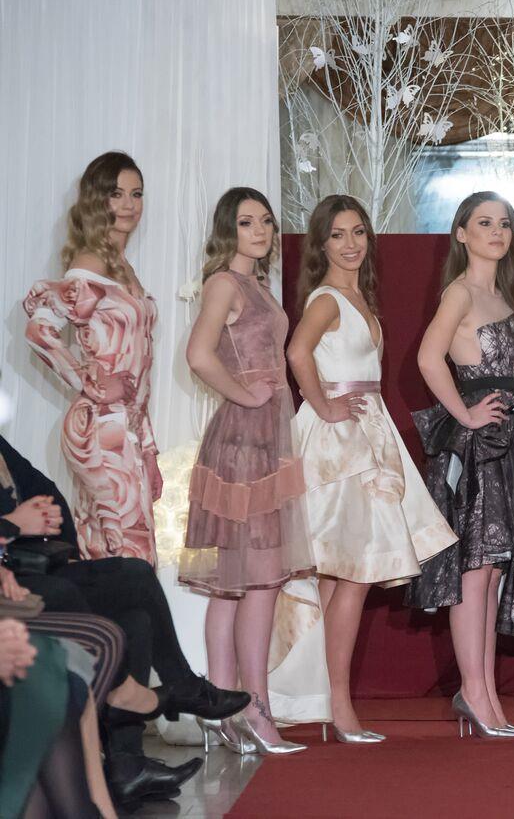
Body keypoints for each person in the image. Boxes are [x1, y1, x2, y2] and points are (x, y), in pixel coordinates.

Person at [287, 194, 456, 743]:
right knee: (351, 573)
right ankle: (338, 705)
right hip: (340, 445)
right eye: (338, 234)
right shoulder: (327, 299)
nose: (351, 243)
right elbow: (297, 353)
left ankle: (320, 700)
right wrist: (323, 405)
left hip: (368, 435)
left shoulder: (358, 297)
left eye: (358, 232)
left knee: (340, 575)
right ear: (321, 244)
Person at [1, 432, 248, 804]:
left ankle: (129, 761)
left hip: (25, 568)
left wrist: (49, 523)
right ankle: (173, 696)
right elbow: (18, 519)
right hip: (13, 584)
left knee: (135, 598)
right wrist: (14, 524)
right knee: (78, 595)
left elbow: (45, 492)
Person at [405, 192, 514, 739]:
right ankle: (474, 693)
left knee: (493, 571)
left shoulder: (504, 296)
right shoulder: (460, 292)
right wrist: (466, 415)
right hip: (481, 444)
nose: (497, 231)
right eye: (485, 222)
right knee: (475, 569)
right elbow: (428, 357)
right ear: (461, 233)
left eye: (505, 224)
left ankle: (487, 695)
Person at [179, 188, 314, 755]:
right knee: (255, 580)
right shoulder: (224, 284)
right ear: (226, 230)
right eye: (245, 222)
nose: (259, 230)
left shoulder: (256, 285)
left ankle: (223, 709)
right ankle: (254, 711)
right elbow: (198, 354)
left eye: (265, 221)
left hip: (263, 442)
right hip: (242, 444)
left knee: (239, 584)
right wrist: (245, 394)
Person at [23, 152, 162, 563]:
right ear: (96, 200)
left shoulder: (123, 267)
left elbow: (138, 369)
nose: (129, 205)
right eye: (116, 194)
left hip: (125, 428)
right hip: (101, 427)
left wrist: (149, 450)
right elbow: (39, 330)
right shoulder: (90, 264)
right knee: (130, 557)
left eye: (136, 194)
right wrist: (93, 382)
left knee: (110, 554)